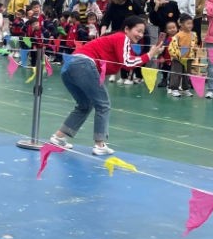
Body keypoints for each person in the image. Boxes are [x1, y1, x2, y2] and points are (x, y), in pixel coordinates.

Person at [49, 15, 163, 155]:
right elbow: (127, 63)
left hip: (69, 66)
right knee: (103, 104)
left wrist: (150, 53)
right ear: (126, 29)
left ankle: (58, 137)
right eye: (138, 30)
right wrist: (150, 54)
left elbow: (124, 61)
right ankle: (100, 144)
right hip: (83, 65)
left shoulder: (117, 40)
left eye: (142, 32)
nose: (140, 35)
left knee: (85, 105)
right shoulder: (122, 38)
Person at [167, 14, 197, 96]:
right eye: (188, 23)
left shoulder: (193, 35)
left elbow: (194, 45)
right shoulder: (178, 35)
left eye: (191, 23)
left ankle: (185, 88)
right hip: (178, 58)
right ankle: (174, 88)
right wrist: (176, 55)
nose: (190, 25)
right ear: (182, 24)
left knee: (186, 74)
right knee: (176, 73)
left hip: (188, 58)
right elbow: (172, 47)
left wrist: (194, 50)